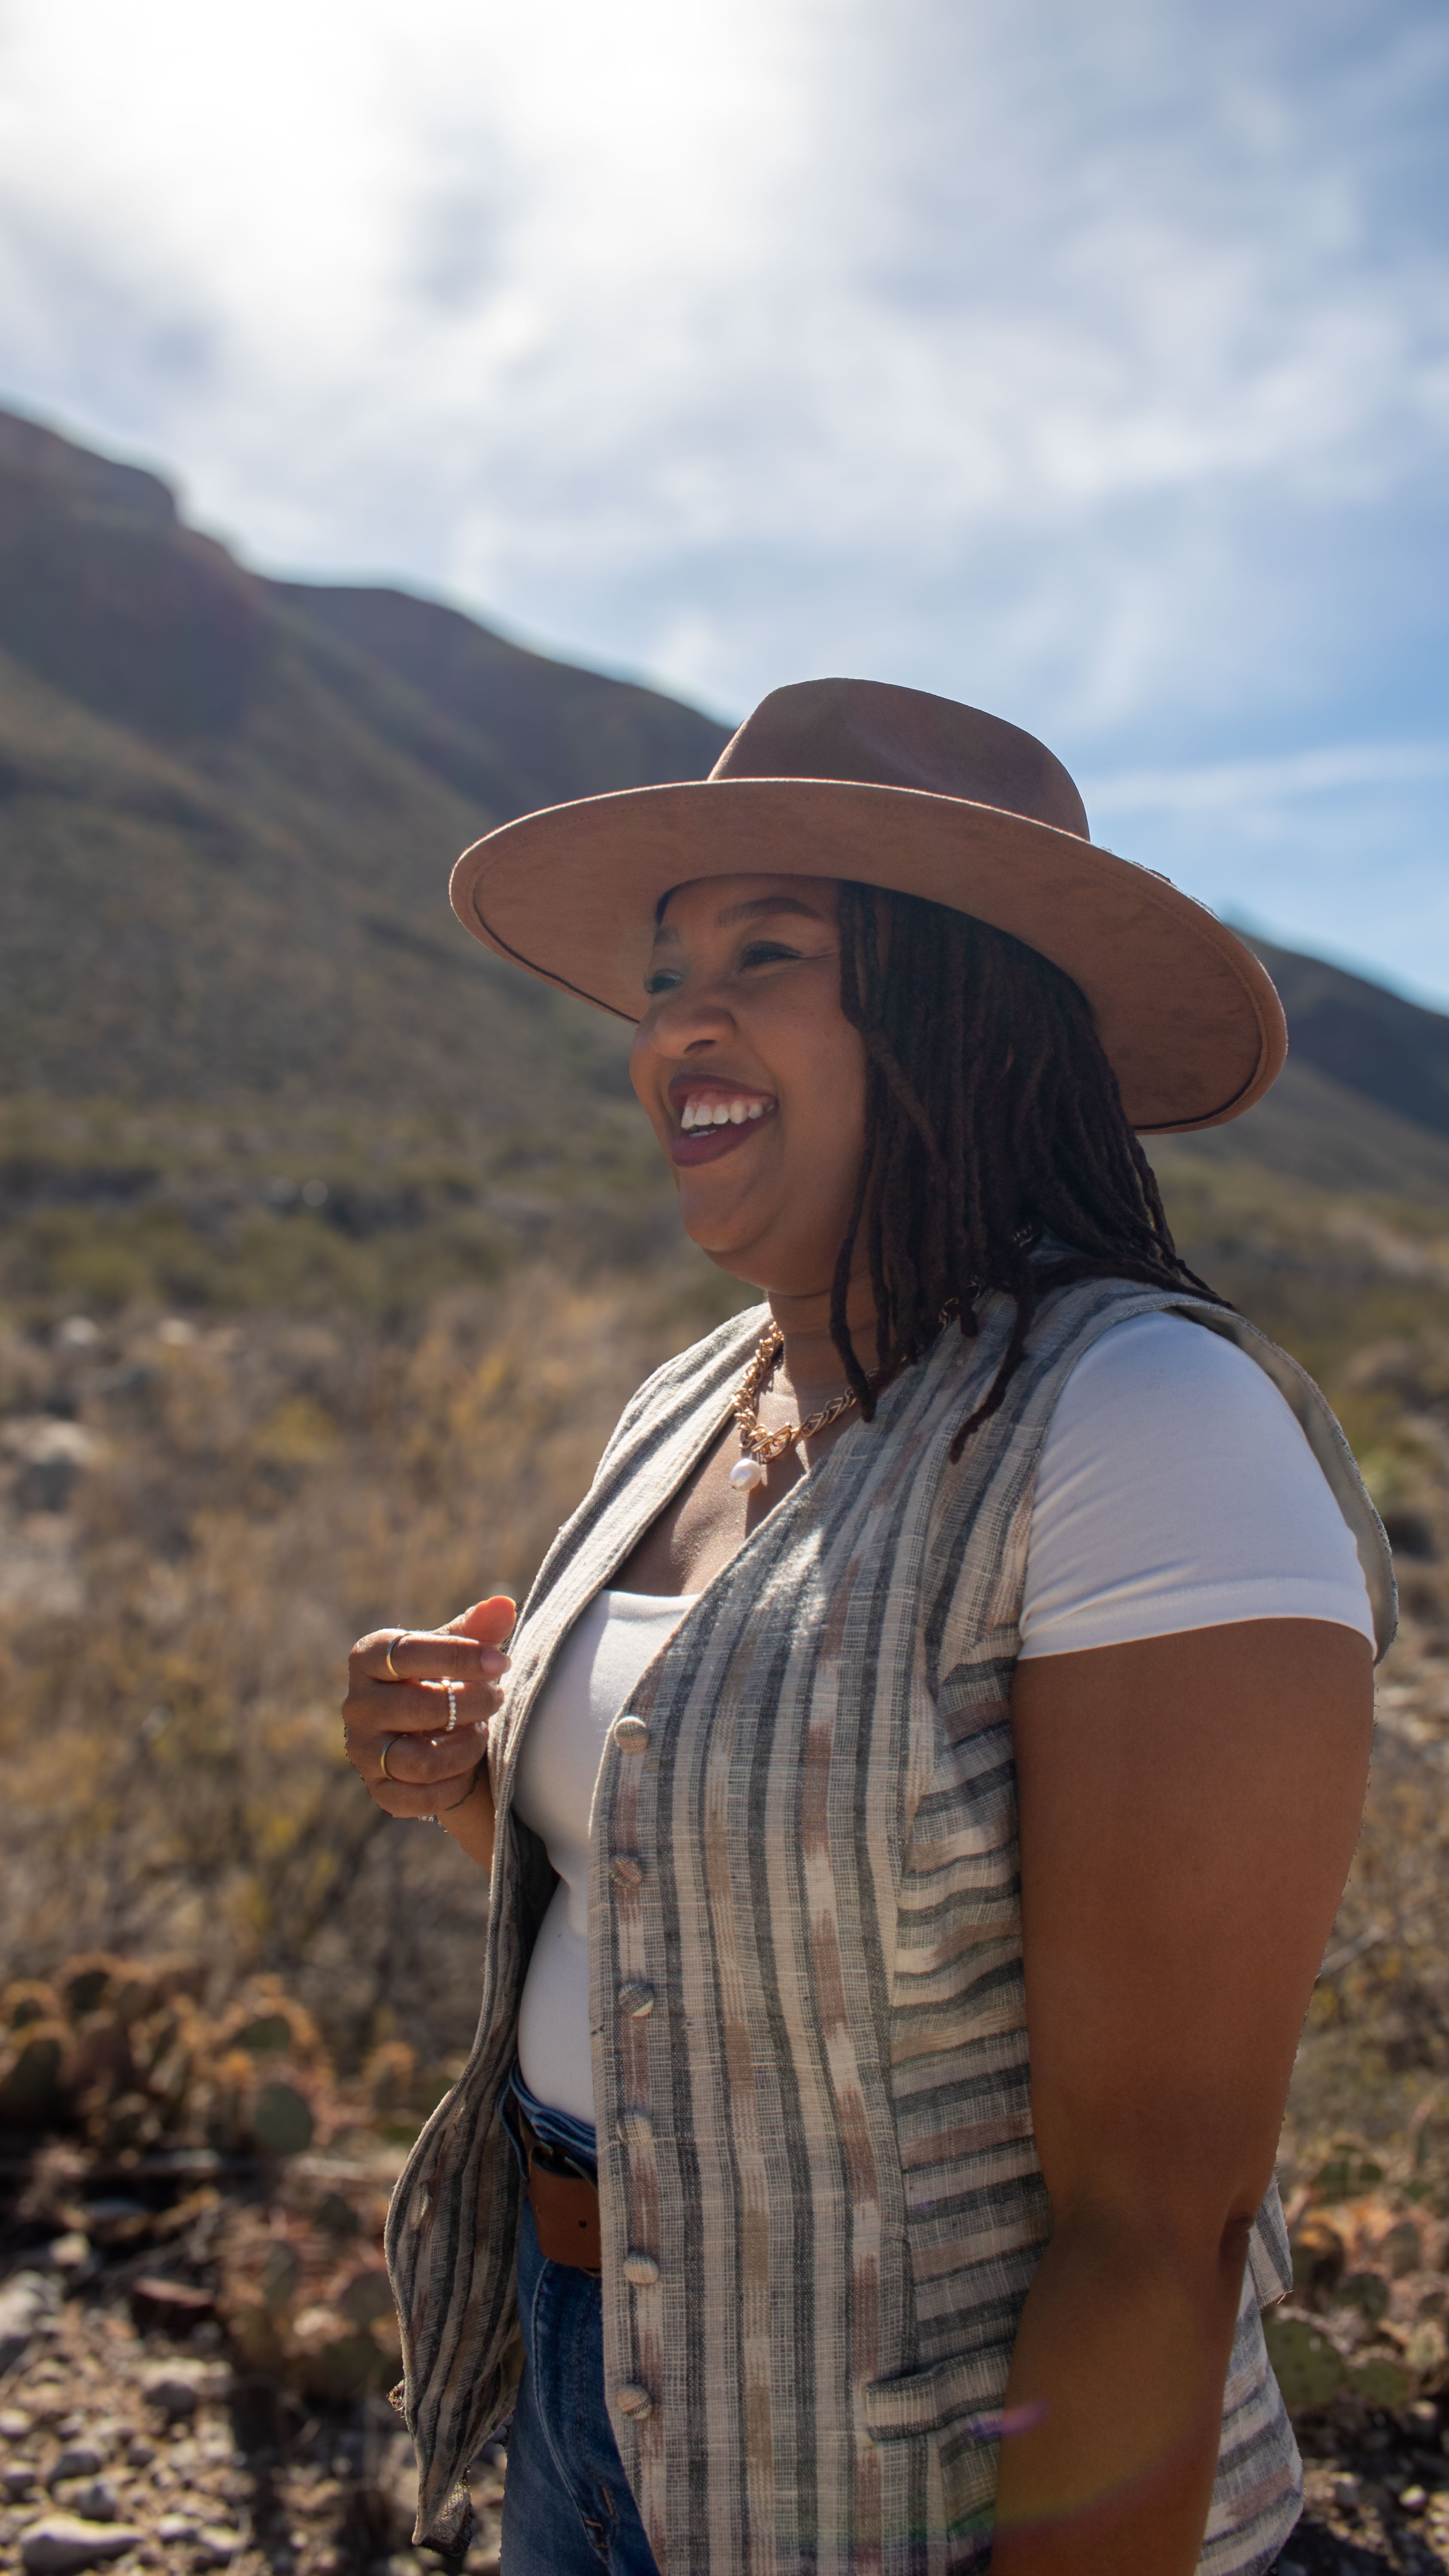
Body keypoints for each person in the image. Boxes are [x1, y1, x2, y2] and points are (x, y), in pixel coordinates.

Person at [342, 680, 1392, 2576]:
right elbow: (702, 1903)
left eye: (771, 953)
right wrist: (469, 1782)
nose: (682, 1019)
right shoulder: (688, 1395)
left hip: (917, 2501)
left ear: (958, 1010)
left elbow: (1157, 2222)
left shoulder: (1141, 1428)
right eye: (668, 973)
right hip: (596, 2418)